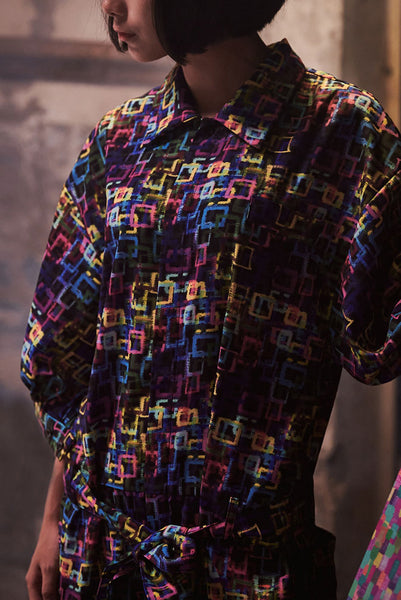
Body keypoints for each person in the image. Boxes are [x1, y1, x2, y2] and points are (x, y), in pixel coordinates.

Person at [21, 0, 401, 598]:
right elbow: (74, 357)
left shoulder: (340, 131)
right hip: (106, 558)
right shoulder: (119, 141)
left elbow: (382, 333)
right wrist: (52, 520)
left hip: (251, 571)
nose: (109, 6)